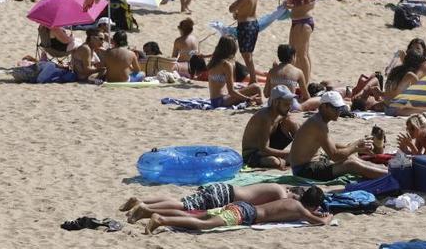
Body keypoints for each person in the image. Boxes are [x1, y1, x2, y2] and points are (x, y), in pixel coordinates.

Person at [288, 91, 388, 181]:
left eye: (340, 108)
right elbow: (335, 156)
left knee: (352, 158)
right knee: (351, 164)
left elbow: (332, 145)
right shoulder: (318, 125)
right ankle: (390, 176)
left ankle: (387, 171)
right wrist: (354, 147)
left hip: (312, 165)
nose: (339, 111)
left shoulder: (319, 121)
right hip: (304, 171)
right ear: (324, 107)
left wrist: (355, 147)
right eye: (335, 108)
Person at [144, 186, 331, 234]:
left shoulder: (294, 204)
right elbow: (320, 222)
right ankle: (162, 220)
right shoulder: (300, 209)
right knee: (205, 224)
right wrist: (328, 218)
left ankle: (152, 213)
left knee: (199, 214)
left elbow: (307, 214)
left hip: (242, 206)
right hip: (244, 214)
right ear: (313, 205)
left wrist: (312, 213)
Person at [120, 183, 303, 222]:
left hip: (224, 189)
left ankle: (140, 201)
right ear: (292, 192)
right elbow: (280, 208)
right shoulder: (281, 192)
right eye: (295, 199)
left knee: (182, 201)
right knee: (185, 206)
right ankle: (146, 208)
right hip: (225, 196)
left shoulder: (276, 186)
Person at [241, 85, 300, 168]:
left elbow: (298, 127)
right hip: (253, 153)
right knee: (274, 162)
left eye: (290, 104)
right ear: (275, 102)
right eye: (286, 104)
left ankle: (302, 151)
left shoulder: (281, 113)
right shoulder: (265, 117)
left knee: (291, 121)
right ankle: (290, 159)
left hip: (268, 148)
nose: (289, 107)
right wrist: (291, 153)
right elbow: (264, 149)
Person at [284, 0, 317, 84]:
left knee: (302, 54)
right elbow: (290, 1)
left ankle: (306, 83)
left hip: (304, 22)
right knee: (295, 53)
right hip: (296, 21)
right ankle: (300, 79)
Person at [207, 36, 263, 107]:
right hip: (222, 101)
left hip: (214, 101)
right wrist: (248, 99)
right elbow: (231, 91)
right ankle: (260, 106)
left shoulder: (213, 61)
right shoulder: (226, 64)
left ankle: (258, 104)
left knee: (248, 88)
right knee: (256, 87)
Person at [230, 0, 259, 84]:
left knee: (246, 55)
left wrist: (237, 0)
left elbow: (231, 9)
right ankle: (253, 78)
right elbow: (246, 9)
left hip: (246, 25)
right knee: (248, 54)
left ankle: (253, 79)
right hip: (253, 23)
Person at [264, 44, 311, 109]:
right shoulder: (298, 72)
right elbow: (306, 96)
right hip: (290, 106)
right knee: (316, 100)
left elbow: (266, 94)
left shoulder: (271, 71)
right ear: (293, 57)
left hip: (272, 105)